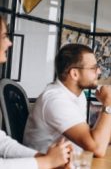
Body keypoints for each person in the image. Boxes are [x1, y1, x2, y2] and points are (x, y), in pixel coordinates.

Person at [24, 43, 111, 158]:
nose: (99, 71)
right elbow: (97, 148)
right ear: (75, 74)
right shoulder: (56, 100)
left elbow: (90, 136)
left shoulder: (78, 95)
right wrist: (108, 104)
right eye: (93, 68)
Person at [0, 16, 71, 169]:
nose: (10, 43)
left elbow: (2, 144)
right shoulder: (55, 97)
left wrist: (46, 158)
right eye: (4, 36)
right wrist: (45, 162)